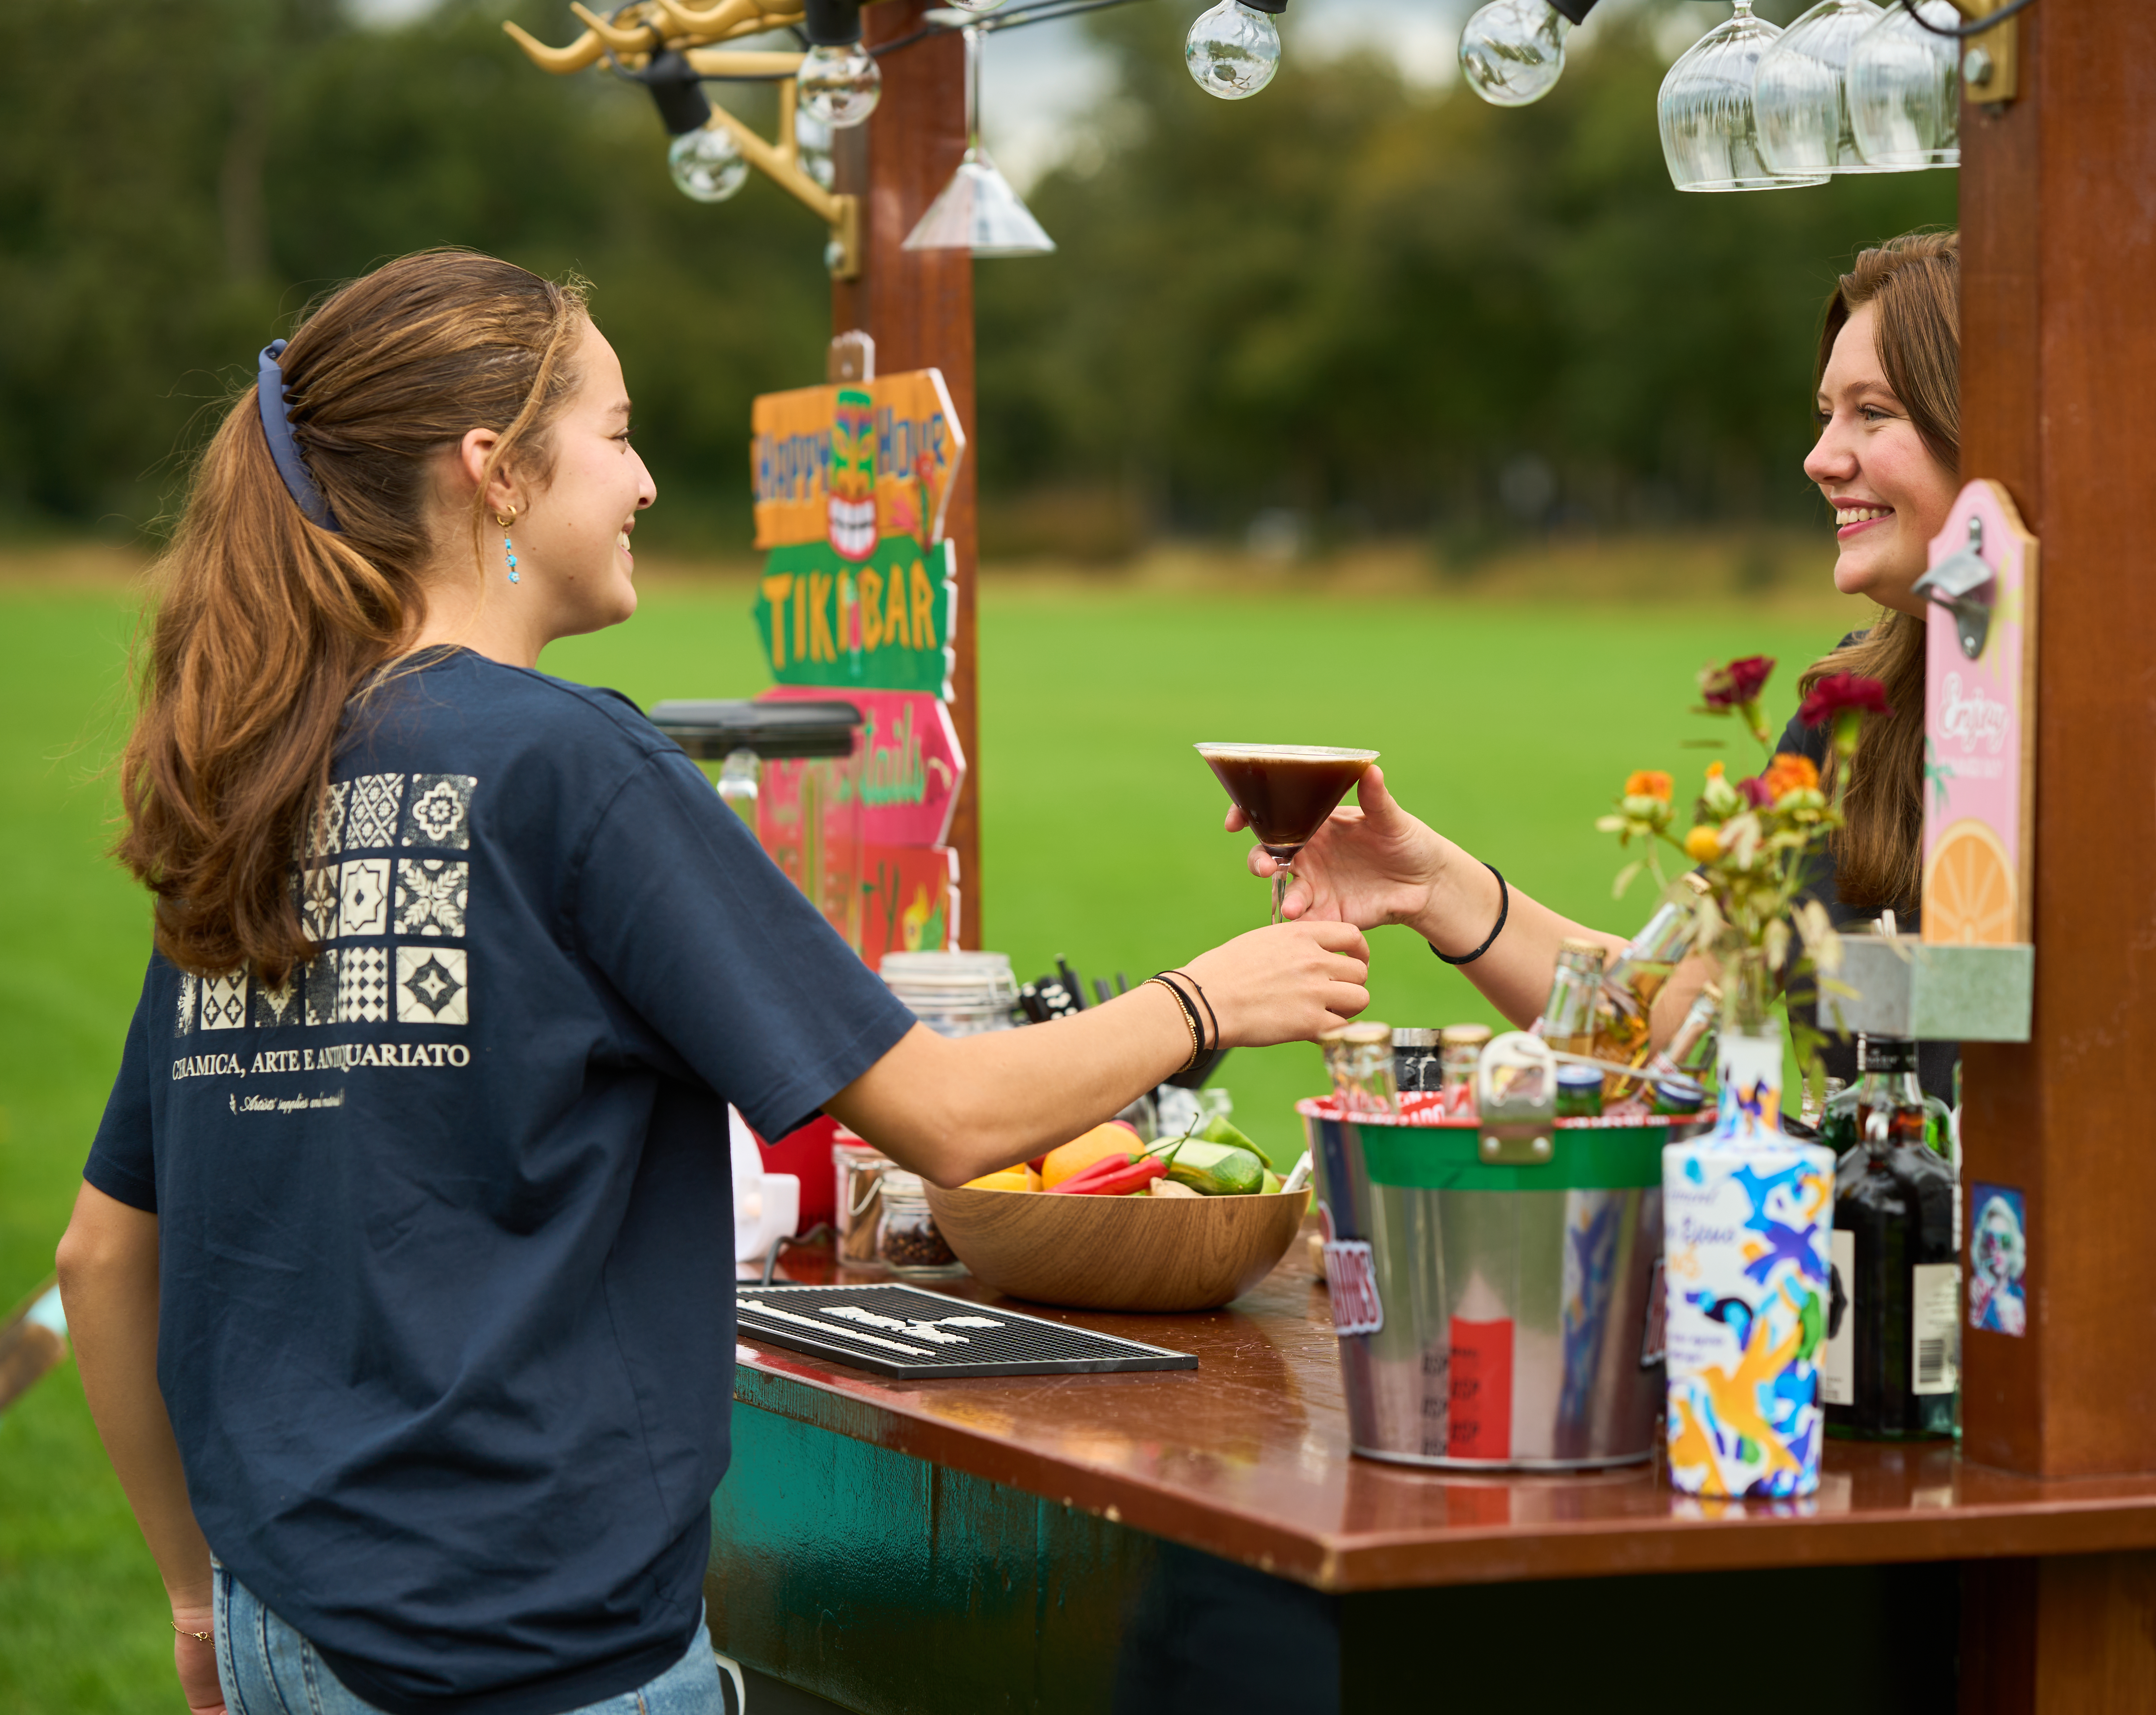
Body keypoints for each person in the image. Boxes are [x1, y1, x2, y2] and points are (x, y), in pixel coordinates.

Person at [54, 249, 1371, 1715]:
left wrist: (195, 1597)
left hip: (280, 1626)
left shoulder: (261, 785)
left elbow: (101, 1260)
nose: (644, 484)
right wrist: (1210, 998)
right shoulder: (574, 765)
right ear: (496, 470)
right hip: (533, 1656)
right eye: (617, 434)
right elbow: (945, 1114)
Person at [1238, 230, 2156, 1291]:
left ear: (2016, 437)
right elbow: (1676, 1016)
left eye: (1874, 414)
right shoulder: (1851, 718)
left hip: (2144, 1456)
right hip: (1882, 1399)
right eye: (1826, 415)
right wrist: (1430, 883)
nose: (1822, 456)